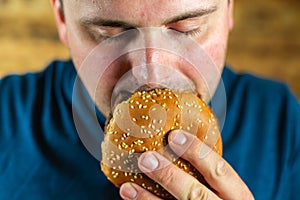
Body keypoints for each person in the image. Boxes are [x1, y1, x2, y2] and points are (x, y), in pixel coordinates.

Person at [0, 0, 299, 199]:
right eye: (111, 32)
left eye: (187, 28)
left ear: (229, 9)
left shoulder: (282, 124)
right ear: (62, 18)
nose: (152, 75)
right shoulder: (6, 120)